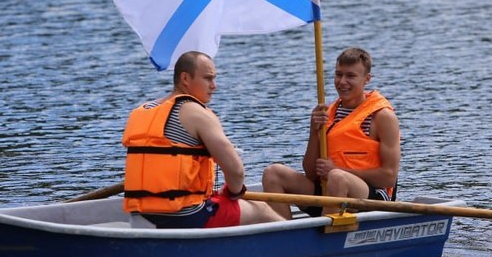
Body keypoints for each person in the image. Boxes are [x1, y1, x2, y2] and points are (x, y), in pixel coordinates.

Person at [122, 50, 284, 228]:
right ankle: (296, 242)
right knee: (261, 210)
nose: (214, 86)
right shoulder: (196, 112)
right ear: (185, 78)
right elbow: (236, 171)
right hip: (183, 216)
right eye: (208, 78)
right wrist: (233, 192)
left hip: (141, 216)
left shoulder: (142, 111)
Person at [261, 47, 400, 219]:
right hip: (329, 189)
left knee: (337, 177)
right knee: (273, 173)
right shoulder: (327, 113)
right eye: (338, 74)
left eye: (350, 76)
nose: (342, 81)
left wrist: (336, 170)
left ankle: (325, 239)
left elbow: (388, 178)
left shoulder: (382, 117)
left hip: (372, 197)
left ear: (367, 79)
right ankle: (284, 236)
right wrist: (314, 132)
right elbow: (312, 174)